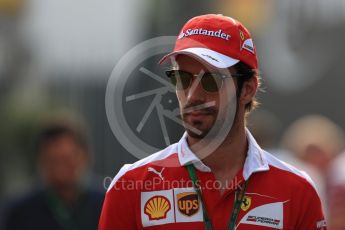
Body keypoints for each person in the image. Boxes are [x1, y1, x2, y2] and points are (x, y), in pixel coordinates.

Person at [99, 14, 327, 229]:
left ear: (247, 89)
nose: (192, 96)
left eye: (210, 80)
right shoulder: (131, 184)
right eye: (183, 79)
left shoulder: (297, 190)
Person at [4, 118, 104, 230]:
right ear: (40, 160)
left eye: (67, 159)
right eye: (53, 160)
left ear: (86, 156)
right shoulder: (20, 211)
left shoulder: (107, 202)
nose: (60, 170)